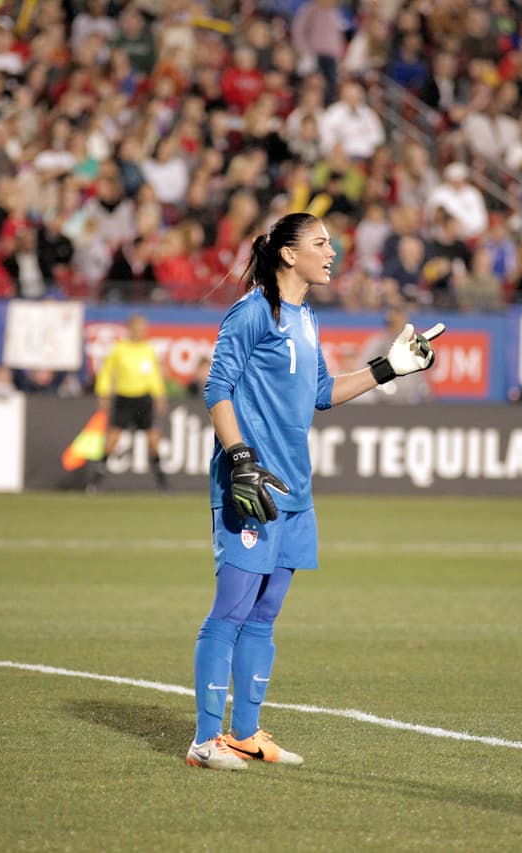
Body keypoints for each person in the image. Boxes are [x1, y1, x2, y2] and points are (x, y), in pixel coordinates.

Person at [188, 212, 444, 771]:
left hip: (295, 490)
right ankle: (205, 741)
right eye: (320, 244)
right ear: (288, 254)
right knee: (229, 611)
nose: (332, 252)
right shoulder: (253, 311)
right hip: (252, 483)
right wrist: (239, 460)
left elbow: (322, 392)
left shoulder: (307, 318)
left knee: (265, 613)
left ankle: (246, 734)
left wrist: (388, 368)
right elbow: (216, 389)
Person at [93, 313, 169, 490]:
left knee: (153, 439)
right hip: (124, 398)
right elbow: (106, 373)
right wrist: (103, 393)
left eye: (144, 328)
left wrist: (160, 396)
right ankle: (97, 478)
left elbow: (154, 376)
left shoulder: (148, 349)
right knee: (112, 438)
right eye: (138, 328)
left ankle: (161, 480)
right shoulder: (119, 349)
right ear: (130, 329)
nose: (142, 332)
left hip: (144, 399)